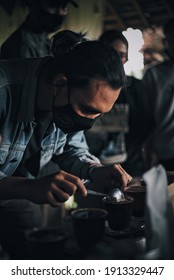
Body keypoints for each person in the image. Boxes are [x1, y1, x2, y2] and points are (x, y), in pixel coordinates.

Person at [0, 30, 132, 255]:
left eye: (98, 115)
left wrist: (95, 170)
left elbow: (71, 148)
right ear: (60, 83)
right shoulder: (3, 92)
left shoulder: (65, 100)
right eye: (88, 110)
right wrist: (28, 187)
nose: (89, 123)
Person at [85, 29, 147, 176]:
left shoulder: (136, 88)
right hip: (91, 166)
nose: (116, 60)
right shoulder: (84, 86)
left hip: (130, 166)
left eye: (122, 55)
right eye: (112, 54)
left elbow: (144, 125)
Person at [141, 19, 174, 171]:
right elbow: (146, 118)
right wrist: (148, 150)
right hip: (165, 152)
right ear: (166, 41)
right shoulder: (153, 75)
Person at [0, 0, 78, 59]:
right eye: (53, 5)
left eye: (64, 7)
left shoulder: (44, 38)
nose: (60, 12)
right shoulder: (23, 45)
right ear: (33, 5)